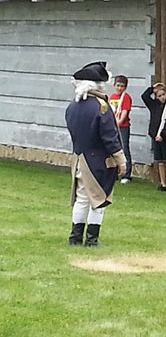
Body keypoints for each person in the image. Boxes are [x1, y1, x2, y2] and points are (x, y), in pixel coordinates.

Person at [65, 61, 126, 246]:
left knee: (82, 199)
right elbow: (110, 137)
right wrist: (121, 160)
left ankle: (75, 237)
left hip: (79, 158)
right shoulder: (102, 107)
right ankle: (92, 239)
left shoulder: (73, 106)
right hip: (98, 161)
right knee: (99, 200)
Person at [141, 82, 166, 192]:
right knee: (160, 161)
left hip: (165, 138)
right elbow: (144, 96)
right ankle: (163, 183)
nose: (162, 97)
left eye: (163, 94)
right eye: (159, 95)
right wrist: (153, 88)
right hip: (155, 136)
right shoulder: (154, 106)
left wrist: (163, 134)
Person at [109, 75, 133, 184]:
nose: (119, 88)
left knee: (124, 149)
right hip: (112, 126)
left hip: (123, 127)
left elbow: (124, 112)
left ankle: (127, 174)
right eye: (118, 85)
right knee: (113, 149)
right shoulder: (112, 97)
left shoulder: (126, 97)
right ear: (114, 85)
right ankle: (114, 173)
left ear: (125, 87)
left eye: (122, 86)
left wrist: (118, 122)